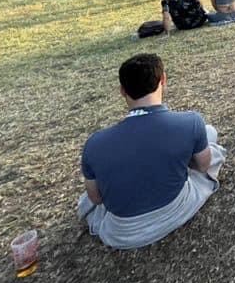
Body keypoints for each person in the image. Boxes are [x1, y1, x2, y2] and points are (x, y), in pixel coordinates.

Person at [77, 54, 226, 249]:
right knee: (209, 138)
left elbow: (96, 198)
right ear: (163, 80)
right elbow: (203, 165)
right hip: (176, 209)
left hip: (122, 234)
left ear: (122, 91)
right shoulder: (189, 122)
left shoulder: (94, 144)